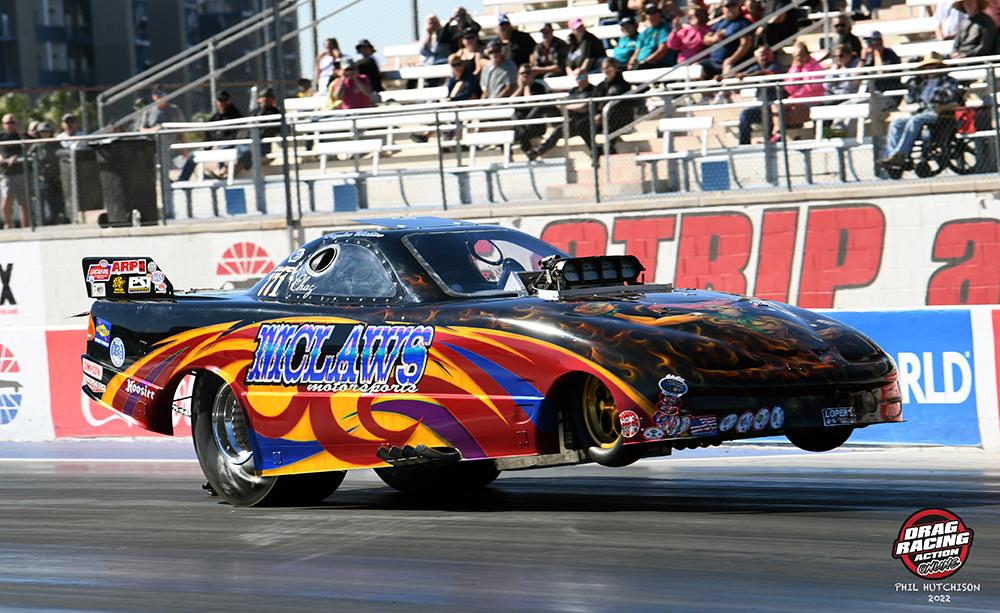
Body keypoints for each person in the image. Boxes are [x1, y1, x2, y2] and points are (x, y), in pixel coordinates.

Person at [878, 52, 964, 167]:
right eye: (928, 67)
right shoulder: (921, 82)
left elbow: (952, 96)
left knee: (916, 119)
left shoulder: (948, 81)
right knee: (897, 122)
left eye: (933, 66)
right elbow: (910, 100)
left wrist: (937, 96)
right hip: (923, 112)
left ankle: (901, 153)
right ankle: (893, 154)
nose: (930, 69)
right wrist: (912, 85)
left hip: (940, 112)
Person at [527, 71, 597, 160]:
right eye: (577, 78)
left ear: (587, 77)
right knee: (546, 104)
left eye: (581, 77)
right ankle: (527, 126)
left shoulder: (592, 90)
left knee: (559, 130)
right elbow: (564, 102)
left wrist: (565, 106)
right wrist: (559, 103)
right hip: (567, 117)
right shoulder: (574, 90)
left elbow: (583, 107)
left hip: (581, 123)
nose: (579, 80)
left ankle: (538, 151)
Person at [736, 46, 786, 144]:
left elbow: (766, 74)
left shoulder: (777, 66)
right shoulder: (755, 68)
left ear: (771, 54)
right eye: (761, 54)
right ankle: (744, 145)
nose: (763, 57)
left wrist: (748, 76)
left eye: (765, 54)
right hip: (760, 107)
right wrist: (724, 77)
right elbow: (741, 75)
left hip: (776, 107)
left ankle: (768, 140)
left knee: (767, 109)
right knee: (745, 115)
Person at [700, 0, 753, 79]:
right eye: (728, 6)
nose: (731, 8)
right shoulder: (720, 23)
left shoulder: (744, 23)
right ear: (723, 9)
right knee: (695, 68)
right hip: (714, 61)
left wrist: (731, 59)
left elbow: (746, 44)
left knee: (727, 71)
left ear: (738, 7)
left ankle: (725, 90)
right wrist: (714, 39)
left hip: (734, 61)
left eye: (733, 5)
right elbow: (705, 39)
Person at [592, 58, 635, 152]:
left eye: (608, 67)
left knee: (611, 115)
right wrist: (596, 114)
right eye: (604, 68)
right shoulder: (600, 86)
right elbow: (594, 103)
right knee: (583, 122)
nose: (606, 70)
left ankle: (609, 147)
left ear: (615, 67)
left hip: (621, 117)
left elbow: (624, 103)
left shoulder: (623, 84)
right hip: (602, 117)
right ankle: (593, 149)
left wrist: (602, 115)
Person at [28, 123, 65, 225]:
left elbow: (63, 153)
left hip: (55, 176)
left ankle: (57, 219)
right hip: (42, 178)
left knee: (56, 200)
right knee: (42, 201)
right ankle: (42, 222)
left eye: (47, 131)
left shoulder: (55, 143)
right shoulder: (36, 145)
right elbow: (29, 157)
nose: (45, 134)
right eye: (42, 132)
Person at [237, 87, 281, 171]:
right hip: (246, 142)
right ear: (258, 100)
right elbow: (243, 129)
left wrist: (253, 135)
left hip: (261, 145)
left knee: (246, 153)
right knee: (233, 150)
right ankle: (226, 171)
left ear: (273, 100)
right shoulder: (254, 112)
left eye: (268, 97)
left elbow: (268, 131)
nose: (264, 99)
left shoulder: (276, 114)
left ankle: (230, 172)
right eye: (262, 97)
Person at [512, 64, 554, 152]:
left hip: (536, 126)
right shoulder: (517, 88)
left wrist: (527, 86)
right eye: (522, 73)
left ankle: (527, 151)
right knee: (516, 115)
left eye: (527, 73)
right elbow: (510, 102)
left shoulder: (538, 87)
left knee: (521, 132)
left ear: (532, 74)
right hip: (522, 126)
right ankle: (529, 152)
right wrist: (520, 88)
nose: (525, 75)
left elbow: (530, 102)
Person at [860, 31, 902, 113]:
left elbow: (881, 73)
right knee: (848, 106)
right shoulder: (870, 58)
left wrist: (877, 53)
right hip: (871, 95)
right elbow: (855, 78)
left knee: (857, 106)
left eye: (872, 41)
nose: (869, 45)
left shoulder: (890, 54)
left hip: (888, 96)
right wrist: (863, 59)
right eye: (867, 42)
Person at [0, 114, 28, 229]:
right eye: (8, 123)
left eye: (13, 122)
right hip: (7, 173)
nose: (10, 125)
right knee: (7, 199)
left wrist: (16, 157)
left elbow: (29, 147)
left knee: (24, 202)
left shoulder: (22, 136)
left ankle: (26, 227)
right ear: (3, 124)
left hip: (22, 172)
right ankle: (8, 224)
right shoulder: (1, 136)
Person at [630, 3, 674, 69]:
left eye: (655, 13)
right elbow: (637, 51)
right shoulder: (644, 32)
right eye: (649, 14)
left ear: (659, 14)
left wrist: (645, 61)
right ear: (646, 16)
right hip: (641, 64)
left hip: (658, 63)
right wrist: (631, 62)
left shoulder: (665, 29)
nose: (652, 16)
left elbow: (661, 51)